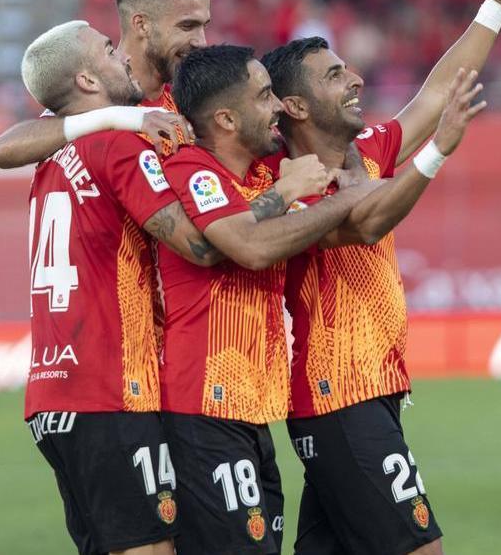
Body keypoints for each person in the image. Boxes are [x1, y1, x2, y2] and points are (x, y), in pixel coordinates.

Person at [260, 0, 501, 555]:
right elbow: (367, 222)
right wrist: (438, 152)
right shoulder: (290, 181)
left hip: (372, 390)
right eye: (334, 75)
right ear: (298, 107)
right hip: (340, 393)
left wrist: (498, 3)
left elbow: (439, 89)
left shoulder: (368, 150)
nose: (355, 79)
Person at [154, 44, 378, 554]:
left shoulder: (261, 173)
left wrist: (363, 181)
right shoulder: (195, 167)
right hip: (205, 404)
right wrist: (335, 194)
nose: (277, 105)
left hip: (253, 408)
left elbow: (333, 231)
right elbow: (250, 248)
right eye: (263, 97)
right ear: (227, 118)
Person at [20, 19, 211, 555]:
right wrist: (271, 202)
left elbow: (1, 147)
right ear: (85, 80)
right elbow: (200, 247)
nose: (121, 54)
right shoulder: (119, 147)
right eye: (107, 49)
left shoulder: (50, 149)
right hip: (111, 389)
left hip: (52, 396)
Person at [0, 0, 209, 169]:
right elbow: (3, 149)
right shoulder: (99, 97)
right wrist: (117, 118)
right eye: (187, 26)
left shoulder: (192, 99)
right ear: (142, 25)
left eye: (204, 26)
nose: (202, 42)